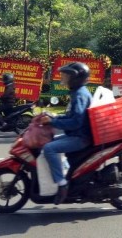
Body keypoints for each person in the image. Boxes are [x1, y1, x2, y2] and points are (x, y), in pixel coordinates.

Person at [37, 62, 92, 205]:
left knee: (49, 148)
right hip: (76, 134)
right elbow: (70, 117)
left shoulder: (79, 95)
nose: (64, 77)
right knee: (48, 143)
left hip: (80, 138)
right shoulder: (77, 92)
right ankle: (66, 171)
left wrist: (53, 122)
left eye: (67, 75)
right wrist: (54, 117)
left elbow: (75, 122)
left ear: (75, 78)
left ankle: (62, 184)